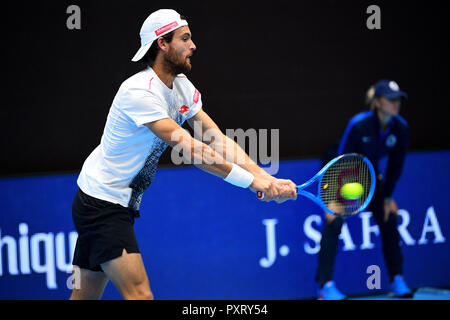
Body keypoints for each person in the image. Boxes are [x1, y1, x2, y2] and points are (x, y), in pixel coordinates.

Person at [69, 9, 297, 300]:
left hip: (107, 200)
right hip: (102, 204)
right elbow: (192, 149)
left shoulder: (181, 87)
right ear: (162, 44)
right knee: (141, 296)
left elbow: (216, 139)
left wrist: (266, 178)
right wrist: (252, 183)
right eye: (185, 38)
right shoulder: (139, 92)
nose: (194, 46)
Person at [315, 79, 413, 300]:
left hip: (369, 175)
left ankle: (398, 279)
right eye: (390, 99)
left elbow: (396, 165)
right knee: (334, 222)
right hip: (342, 173)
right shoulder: (359, 125)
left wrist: (388, 197)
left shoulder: (401, 128)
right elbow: (341, 160)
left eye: (398, 99)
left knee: (390, 218)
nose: (396, 104)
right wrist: (331, 200)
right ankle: (325, 286)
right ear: (378, 102)